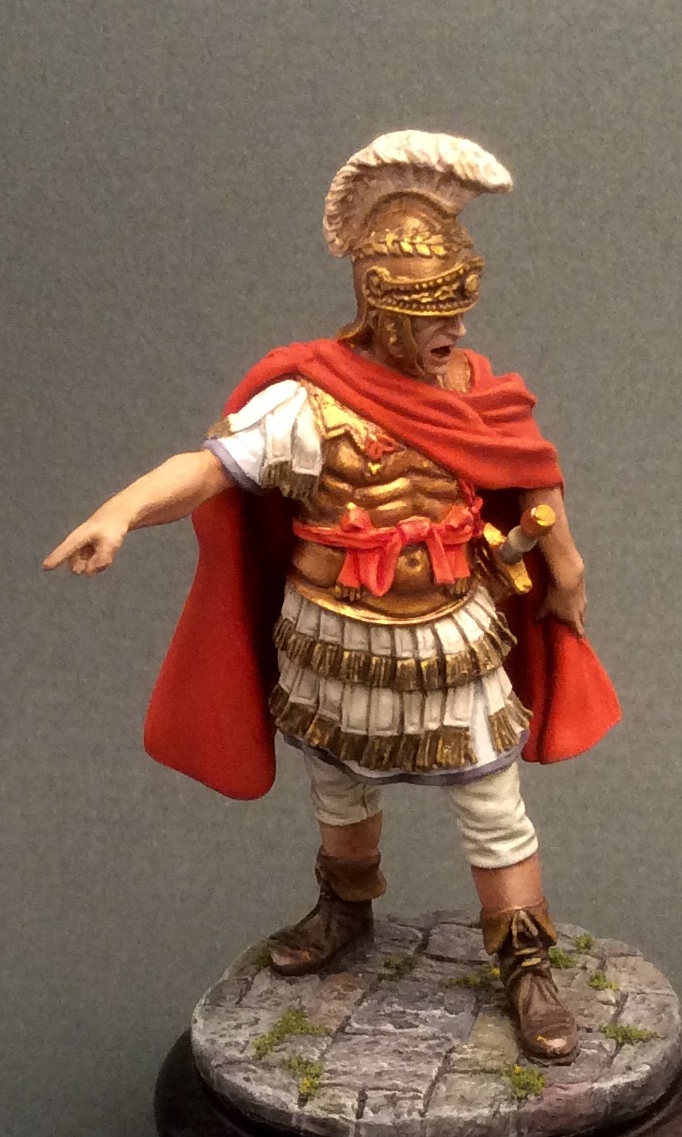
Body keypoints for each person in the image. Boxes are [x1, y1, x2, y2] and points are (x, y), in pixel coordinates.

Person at [44, 131, 620, 1064]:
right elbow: (206, 470)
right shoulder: (307, 404)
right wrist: (120, 511)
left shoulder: (472, 389)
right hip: (332, 633)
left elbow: (526, 465)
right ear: (380, 310)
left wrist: (565, 562)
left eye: (460, 307)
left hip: (448, 630)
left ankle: (523, 959)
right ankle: (345, 908)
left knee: (490, 798)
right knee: (338, 780)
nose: (455, 330)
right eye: (432, 313)